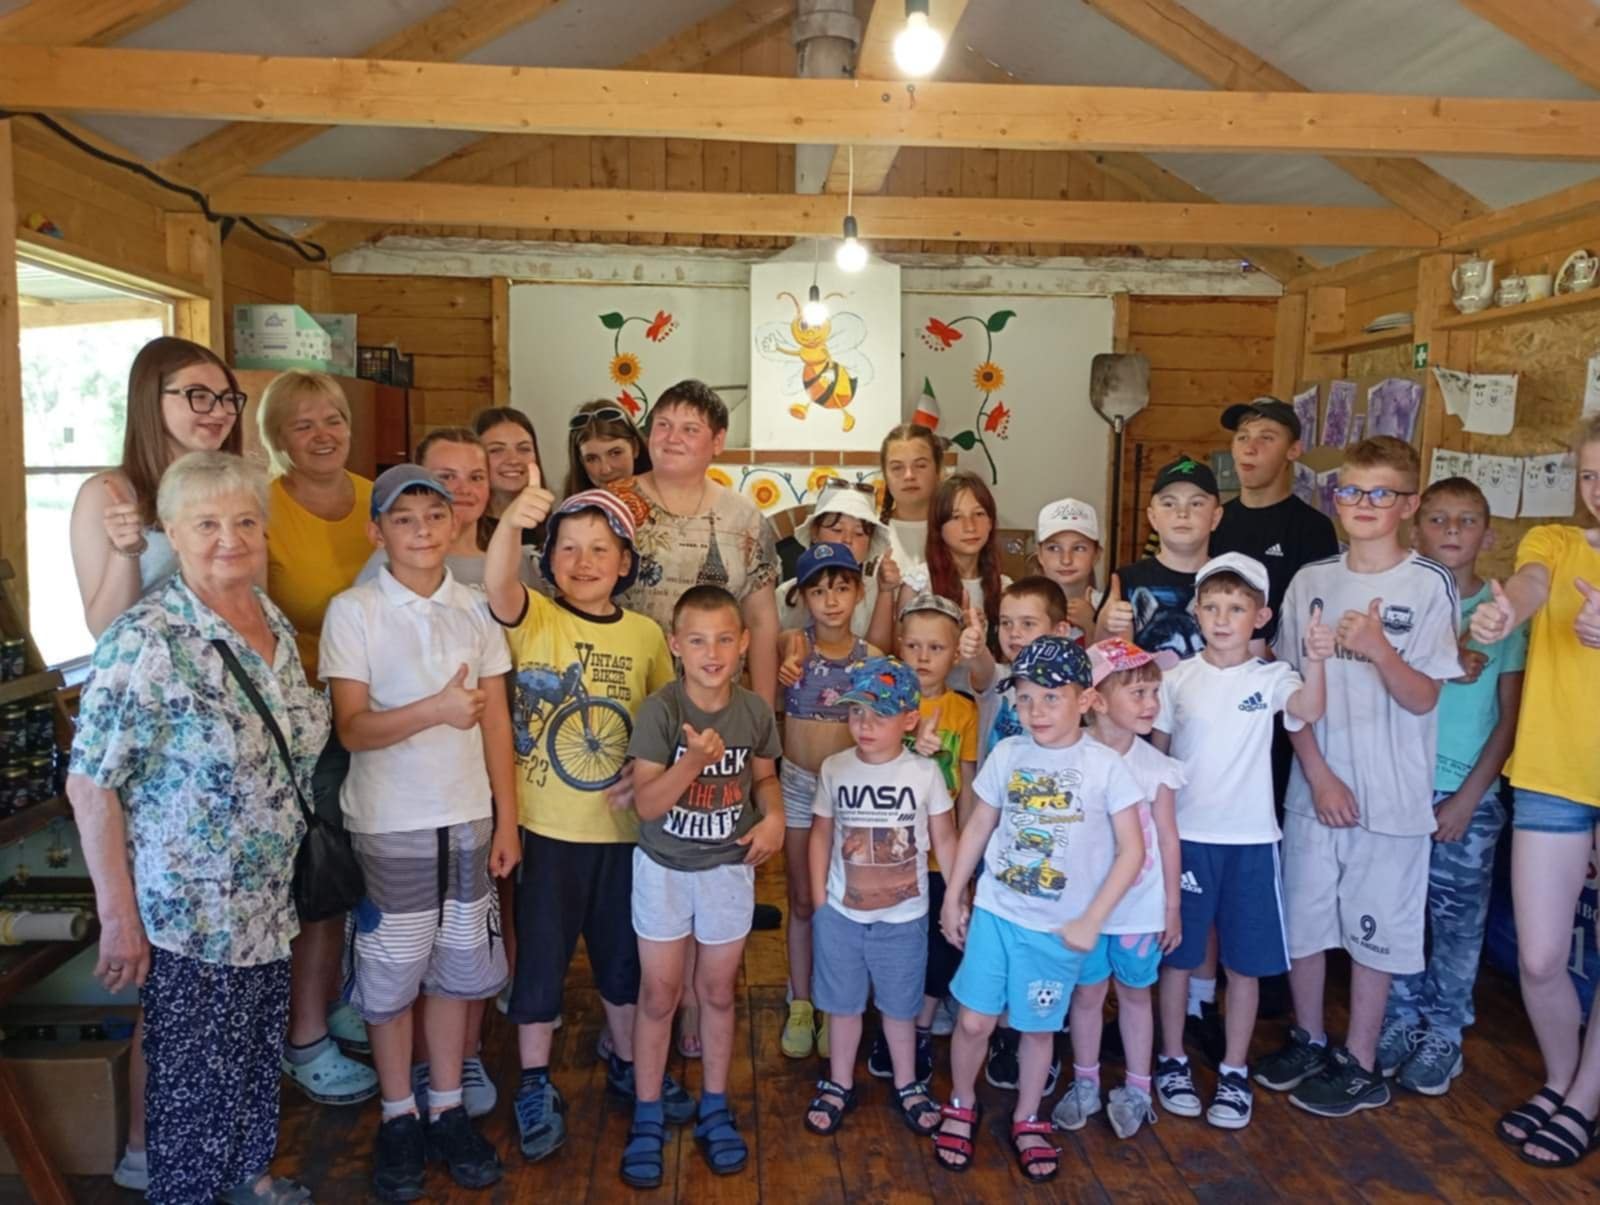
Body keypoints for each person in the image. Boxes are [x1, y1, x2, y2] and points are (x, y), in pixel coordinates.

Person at [68, 451, 321, 1205]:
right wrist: (119, 918)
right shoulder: (145, 638)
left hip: (267, 904)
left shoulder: (268, 618)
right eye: (206, 523)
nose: (228, 538)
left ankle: (248, 1178)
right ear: (170, 534)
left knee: (251, 1063)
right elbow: (90, 784)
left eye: (244, 521)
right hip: (189, 916)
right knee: (191, 1094)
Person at [66, 335, 245, 1194]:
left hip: (230, 767)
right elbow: (104, 630)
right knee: (172, 984)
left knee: (227, 983)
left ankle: (222, 1149)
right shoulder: (113, 493)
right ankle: (149, 1149)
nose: (213, 411)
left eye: (225, 397)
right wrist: (130, 549)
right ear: (151, 397)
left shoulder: (229, 486)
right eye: (193, 394)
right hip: (158, 769)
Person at [319, 465, 520, 1200]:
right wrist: (434, 709)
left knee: (457, 969)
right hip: (389, 824)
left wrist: (506, 818)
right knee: (392, 973)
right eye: (403, 518)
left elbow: (496, 723)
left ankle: (446, 1104)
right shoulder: (355, 610)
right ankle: (398, 1111)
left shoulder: (475, 608)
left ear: (455, 522)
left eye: (435, 515)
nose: (422, 530)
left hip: (466, 819)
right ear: (377, 532)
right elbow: (352, 727)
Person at [483, 471, 692, 1163]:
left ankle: (631, 1064)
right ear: (548, 559)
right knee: (541, 962)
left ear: (625, 562)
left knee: (621, 960)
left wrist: (651, 770)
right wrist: (512, 522)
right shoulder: (536, 616)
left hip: (625, 835)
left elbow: (665, 719)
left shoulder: (646, 634)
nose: (583, 561)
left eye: (600, 548)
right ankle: (534, 1081)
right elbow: (498, 586)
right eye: (567, 547)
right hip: (548, 831)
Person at [1258, 436, 1461, 1118]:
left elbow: (1424, 697)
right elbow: (1289, 691)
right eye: (1350, 491)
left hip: (1392, 799)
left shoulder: (1427, 584)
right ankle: (1310, 1039)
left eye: (1381, 493)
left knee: (1377, 931)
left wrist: (1378, 649)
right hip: (1315, 790)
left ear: (1407, 504)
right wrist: (1318, 776)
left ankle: (1361, 1061)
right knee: (1307, 923)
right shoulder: (1311, 581)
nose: (1363, 503)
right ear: (1335, 498)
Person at [936, 636, 1145, 1183]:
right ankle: (962, 1101)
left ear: (1086, 700)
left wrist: (1092, 919)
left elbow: (1133, 851)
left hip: (1057, 930)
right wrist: (955, 893)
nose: (1036, 710)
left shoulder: (1106, 767)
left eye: (1052, 697)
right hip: (997, 914)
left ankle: (1028, 1116)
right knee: (974, 1020)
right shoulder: (1009, 753)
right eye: (1025, 698)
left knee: (1036, 1027)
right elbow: (978, 826)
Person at [1150, 554, 1330, 1130]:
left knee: (1245, 966)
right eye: (1212, 607)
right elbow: (1155, 759)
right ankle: (1172, 1059)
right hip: (1186, 841)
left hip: (1252, 842)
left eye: (1236, 608)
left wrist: (1318, 659)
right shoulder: (1176, 680)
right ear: (1196, 612)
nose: (1223, 619)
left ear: (1261, 616)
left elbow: (1309, 709)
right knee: (1178, 959)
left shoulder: (1272, 677)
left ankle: (1233, 1069)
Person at [620, 585, 785, 1188]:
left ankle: (715, 1105)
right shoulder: (660, 711)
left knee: (717, 992)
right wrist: (692, 761)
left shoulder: (754, 711)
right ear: (675, 645)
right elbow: (647, 804)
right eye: (697, 640)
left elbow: (764, 777)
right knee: (660, 994)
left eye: (723, 639)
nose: (711, 653)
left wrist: (774, 816)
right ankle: (647, 1112)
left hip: (726, 870)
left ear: (744, 643)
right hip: (663, 869)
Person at [1469, 414, 1600, 1168]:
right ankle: (1562, 1078)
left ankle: (1583, 1098)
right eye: (1588, 475)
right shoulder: (1554, 540)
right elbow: (1531, 584)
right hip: (1552, 773)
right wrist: (1506, 610)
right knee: (1543, 957)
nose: (1597, 489)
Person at [258, 370, 381, 1111]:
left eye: (332, 418)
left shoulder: (377, 498)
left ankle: (334, 1001)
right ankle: (302, 1038)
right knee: (319, 879)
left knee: (362, 869)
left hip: (383, 713)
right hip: (303, 723)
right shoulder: (263, 509)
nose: (323, 434)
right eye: (302, 424)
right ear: (277, 439)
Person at [1378, 477, 1525, 1096]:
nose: (1452, 531)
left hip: (1466, 798)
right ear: (1416, 531)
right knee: (1398, 913)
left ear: (1487, 535)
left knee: (1458, 922)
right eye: (1438, 519)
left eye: (1467, 521)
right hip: (1399, 790)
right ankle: (1399, 1016)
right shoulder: (1398, 608)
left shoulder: (1502, 615)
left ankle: (1444, 1030)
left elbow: (1509, 720)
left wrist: (1468, 799)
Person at [804, 657, 956, 1139]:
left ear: (909, 720)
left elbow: (945, 838)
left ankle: (907, 1081)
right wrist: (820, 902)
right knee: (843, 1005)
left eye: (880, 715)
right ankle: (839, 1081)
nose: (864, 725)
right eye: (856, 713)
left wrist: (955, 897)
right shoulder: (835, 768)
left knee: (900, 1006)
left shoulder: (925, 772)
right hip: (842, 913)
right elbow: (821, 834)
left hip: (904, 918)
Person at [1052, 637, 1182, 1141]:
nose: (1151, 704)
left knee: (1134, 993)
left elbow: (1167, 839)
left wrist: (1172, 906)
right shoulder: (1071, 756)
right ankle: (1085, 1082)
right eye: (1138, 693)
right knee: (1087, 995)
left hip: (1139, 911)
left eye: (1154, 692)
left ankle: (1138, 1088)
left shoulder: (1157, 768)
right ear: (1098, 701)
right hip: (1084, 909)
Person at [776, 543, 879, 1060]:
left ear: (859, 592)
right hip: (799, 784)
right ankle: (800, 1000)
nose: (831, 601)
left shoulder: (872, 659)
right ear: (802, 597)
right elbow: (781, 652)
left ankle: (838, 999)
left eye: (841, 588)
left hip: (852, 793)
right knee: (801, 898)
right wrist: (786, 660)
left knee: (846, 899)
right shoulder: (792, 646)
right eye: (818, 591)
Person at [620, 381, 780, 708]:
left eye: (690, 429)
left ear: (717, 441)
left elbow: (761, 621)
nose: (672, 438)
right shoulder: (612, 504)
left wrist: (761, 716)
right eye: (663, 425)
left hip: (715, 708)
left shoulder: (745, 518)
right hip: (623, 700)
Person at [873, 591, 977, 1067]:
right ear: (899, 648)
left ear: (955, 655)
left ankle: (921, 1026)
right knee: (897, 945)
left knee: (943, 941)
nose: (923, 657)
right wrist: (913, 746)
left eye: (936, 648)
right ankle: (890, 1023)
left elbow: (968, 786)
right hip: (895, 852)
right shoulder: (886, 707)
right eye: (913, 646)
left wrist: (967, 860)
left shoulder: (965, 711)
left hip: (942, 855)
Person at [1211, 398, 1339, 646]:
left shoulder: (1313, 528)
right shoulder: (1214, 520)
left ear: (1293, 450)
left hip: (1283, 665)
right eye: (1242, 437)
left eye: (1267, 438)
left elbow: (1319, 614)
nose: (1250, 448)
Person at [1097, 455, 1223, 659]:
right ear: (1152, 517)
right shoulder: (1125, 581)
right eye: (1169, 504)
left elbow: (1251, 657)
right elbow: (1100, 662)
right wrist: (1105, 625)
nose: (1182, 513)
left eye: (1196, 503)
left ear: (1215, 517)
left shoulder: (1232, 580)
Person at [776, 479, 897, 647]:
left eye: (859, 533)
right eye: (837, 530)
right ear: (815, 533)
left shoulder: (879, 593)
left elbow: (880, 656)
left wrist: (886, 592)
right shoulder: (785, 595)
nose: (847, 540)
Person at [878, 422, 944, 586]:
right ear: (885, 475)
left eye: (920, 465)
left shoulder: (959, 531)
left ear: (938, 471)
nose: (909, 475)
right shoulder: (868, 532)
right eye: (897, 468)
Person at [474, 407, 547, 549]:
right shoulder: (463, 531)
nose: (513, 460)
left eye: (524, 449)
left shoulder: (557, 526)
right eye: (496, 450)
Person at [1035, 498, 1105, 643]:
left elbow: (1113, 655)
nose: (1066, 560)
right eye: (1054, 548)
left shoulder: (1107, 608)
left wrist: (1090, 625)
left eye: (1079, 548)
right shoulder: (1023, 605)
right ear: (1040, 554)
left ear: (1096, 555)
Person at [564, 398, 651, 496]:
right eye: (591, 459)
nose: (606, 470)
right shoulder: (575, 503)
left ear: (635, 448)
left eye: (615, 453)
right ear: (581, 461)